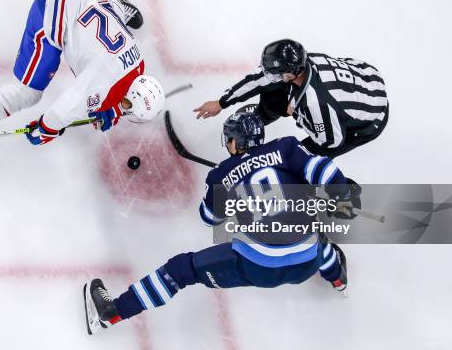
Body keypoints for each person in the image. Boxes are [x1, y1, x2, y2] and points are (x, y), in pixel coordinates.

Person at [83, 112, 358, 335]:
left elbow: (209, 218)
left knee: (180, 270)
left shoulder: (221, 174)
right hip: (305, 264)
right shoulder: (286, 148)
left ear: (235, 143)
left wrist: (229, 186)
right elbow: (324, 169)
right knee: (316, 235)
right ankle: (338, 280)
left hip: (256, 267)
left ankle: (112, 313)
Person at [0, 0, 164, 176]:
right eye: (128, 108)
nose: (126, 111)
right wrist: (46, 130)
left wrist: (111, 108)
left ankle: (112, 1)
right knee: (27, 93)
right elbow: (63, 110)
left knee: (107, 22)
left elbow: (116, 92)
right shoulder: (103, 79)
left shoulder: (138, 65)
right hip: (52, 8)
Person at [193, 39, 388, 158]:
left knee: (298, 158)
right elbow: (258, 79)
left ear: (291, 73)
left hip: (367, 122)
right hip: (366, 81)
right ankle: (266, 113)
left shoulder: (316, 104)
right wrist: (221, 102)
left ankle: (337, 195)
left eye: (276, 74)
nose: (269, 75)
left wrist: (297, 113)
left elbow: (331, 142)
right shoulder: (305, 61)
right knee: (273, 91)